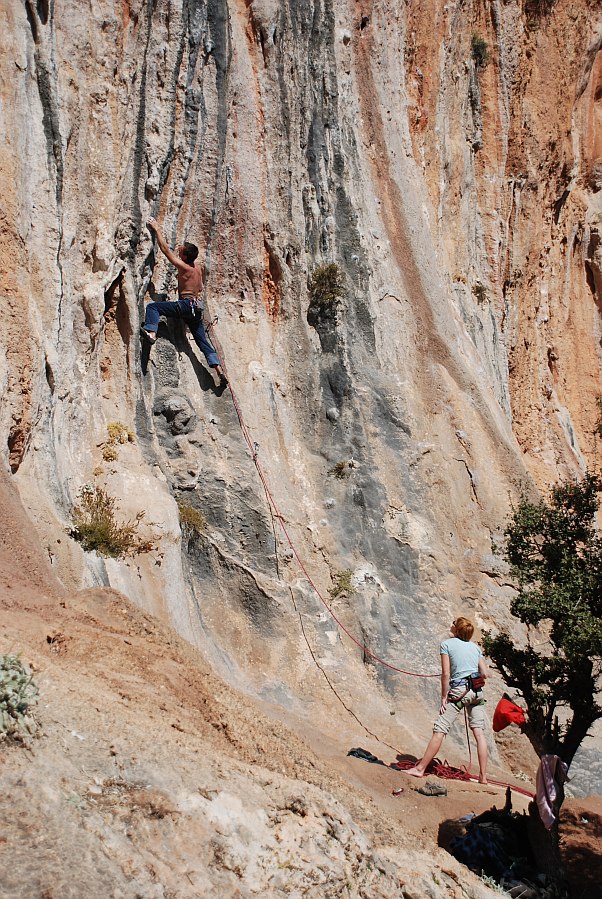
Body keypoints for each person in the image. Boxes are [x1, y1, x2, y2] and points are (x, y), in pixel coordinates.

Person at [141, 217, 226, 383]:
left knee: (153, 308)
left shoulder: (185, 267)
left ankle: (151, 332)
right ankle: (218, 369)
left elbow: (166, 252)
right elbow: (200, 288)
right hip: (196, 309)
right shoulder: (198, 268)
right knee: (202, 340)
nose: (179, 249)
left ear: (186, 257)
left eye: (181, 250)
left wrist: (157, 229)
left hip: (186, 305)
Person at [405, 616, 489, 784]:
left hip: (460, 692)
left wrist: (444, 697)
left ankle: (420, 769)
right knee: (479, 733)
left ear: (456, 629)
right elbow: (485, 674)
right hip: (477, 692)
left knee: (440, 729)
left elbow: (445, 674)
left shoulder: (447, 645)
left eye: (453, 622)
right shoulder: (475, 648)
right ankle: (483, 777)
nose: (451, 624)